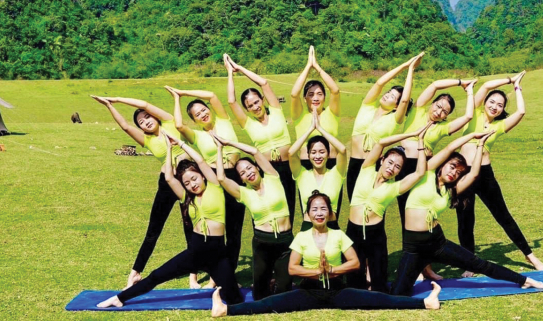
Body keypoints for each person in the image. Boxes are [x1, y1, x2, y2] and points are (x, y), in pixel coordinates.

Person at [210, 192, 441, 316]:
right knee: (269, 303)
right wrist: (315, 272)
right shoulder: (301, 237)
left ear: (330, 213)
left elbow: (355, 263)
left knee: (379, 299)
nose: (319, 213)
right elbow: (292, 269)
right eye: (314, 209)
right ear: (308, 215)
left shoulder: (339, 235)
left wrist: (331, 270)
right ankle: (225, 309)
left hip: (338, 291)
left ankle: (425, 304)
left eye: (323, 209)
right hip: (308, 292)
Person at [391, 130, 543, 295]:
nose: (453, 173)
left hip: (436, 242)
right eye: (452, 167)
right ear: (443, 164)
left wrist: (480, 147)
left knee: (479, 264)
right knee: (398, 293)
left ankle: (525, 280)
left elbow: (473, 174)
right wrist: (472, 136)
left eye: (458, 173)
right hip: (413, 246)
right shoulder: (426, 174)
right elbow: (451, 147)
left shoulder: (451, 192)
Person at [97, 137, 244, 308]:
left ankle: (222, 290)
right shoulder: (186, 197)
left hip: (217, 253)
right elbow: (168, 178)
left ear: (202, 176)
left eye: (194, 179)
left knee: (235, 299)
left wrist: (181, 144)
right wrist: (169, 149)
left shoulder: (215, 186)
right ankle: (119, 298)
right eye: (187, 183)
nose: (192, 185)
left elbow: (201, 160)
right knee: (157, 276)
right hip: (196, 251)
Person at [92, 95, 190, 289]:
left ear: (154, 116)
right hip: (167, 184)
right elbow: (126, 127)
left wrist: (117, 98)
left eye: (147, 117)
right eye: (141, 122)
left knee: (191, 225)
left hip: (189, 180)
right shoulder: (146, 139)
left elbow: (144, 104)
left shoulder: (169, 123)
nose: (145, 121)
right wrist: (109, 106)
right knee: (154, 230)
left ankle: (193, 275)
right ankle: (135, 273)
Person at [455, 71, 543, 274]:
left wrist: (517, 87)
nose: (495, 107)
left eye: (500, 105)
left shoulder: (499, 126)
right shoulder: (475, 113)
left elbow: (521, 112)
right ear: (485, 102)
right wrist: (510, 79)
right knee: (465, 218)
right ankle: (469, 262)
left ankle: (530, 256)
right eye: (492, 102)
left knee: (503, 215)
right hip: (463, 173)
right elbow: (486, 86)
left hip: (485, 174)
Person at [169, 85, 246, 273]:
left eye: (203, 109)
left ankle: (229, 271)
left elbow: (212, 94)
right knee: (217, 230)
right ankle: (216, 272)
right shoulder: (197, 135)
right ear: (194, 120)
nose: (202, 114)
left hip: (235, 176)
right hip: (214, 181)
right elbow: (179, 125)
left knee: (234, 231)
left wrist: (185, 91)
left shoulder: (224, 120)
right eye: (197, 115)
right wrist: (177, 97)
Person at [345, 126, 429, 292]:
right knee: (354, 285)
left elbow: (420, 173)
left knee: (379, 285)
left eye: (397, 167)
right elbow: (381, 142)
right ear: (382, 160)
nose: (392, 168)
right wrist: (412, 133)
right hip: (353, 232)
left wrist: (419, 142)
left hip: (375, 235)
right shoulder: (366, 169)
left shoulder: (395, 187)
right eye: (390, 162)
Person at [214, 136, 294, 301]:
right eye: (242, 173)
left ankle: (275, 280)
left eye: (249, 168)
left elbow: (255, 151)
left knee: (284, 293)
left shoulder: (273, 177)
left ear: (257, 167)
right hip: (262, 244)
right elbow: (221, 178)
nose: (248, 173)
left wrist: (229, 142)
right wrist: (220, 149)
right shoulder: (243, 193)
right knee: (260, 296)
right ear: (241, 179)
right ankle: (266, 282)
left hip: (285, 243)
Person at [395, 78, 476, 223]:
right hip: (403, 166)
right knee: (404, 208)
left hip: (424, 169)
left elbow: (468, 116)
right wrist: (460, 82)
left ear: (447, 116)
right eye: (438, 106)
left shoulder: (443, 128)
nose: (439, 112)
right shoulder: (417, 110)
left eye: (445, 112)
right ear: (432, 103)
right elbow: (435, 85)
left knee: (421, 206)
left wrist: (470, 91)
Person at [225, 54, 296, 219]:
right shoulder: (248, 123)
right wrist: (230, 72)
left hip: (287, 168)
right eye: (250, 106)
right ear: (247, 109)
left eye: (257, 102)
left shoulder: (277, 111)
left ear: (262, 100)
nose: (255, 107)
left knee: (288, 210)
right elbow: (231, 101)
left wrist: (239, 68)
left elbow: (264, 83)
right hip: (265, 170)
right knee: (268, 208)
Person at [347, 54, 420, 201]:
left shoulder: (394, 119)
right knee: (354, 205)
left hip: (373, 168)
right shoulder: (367, 106)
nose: (387, 96)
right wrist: (404, 65)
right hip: (354, 163)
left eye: (393, 97)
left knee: (373, 205)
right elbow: (379, 83)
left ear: (396, 107)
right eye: (389, 93)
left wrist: (411, 70)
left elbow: (405, 100)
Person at [289, 110, 348, 230]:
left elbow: (342, 150)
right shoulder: (301, 174)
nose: (318, 156)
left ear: (328, 154)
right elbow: (291, 153)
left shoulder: (337, 173)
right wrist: (311, 129)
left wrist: (320, 129)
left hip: (331, 228)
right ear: (308, 154)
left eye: (322, 152)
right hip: (308, 228)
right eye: (313, 152)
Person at [291, 46, 341, 166]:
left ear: (324, 97)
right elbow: (294, 94)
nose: (315, 98)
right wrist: (308, 66)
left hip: (331, 164)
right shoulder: (299, 115)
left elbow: (335, 90)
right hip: (306, 164)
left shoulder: (332, 113)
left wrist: (317, 67)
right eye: (311, 94)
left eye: (319, 94)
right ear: (304, 98)